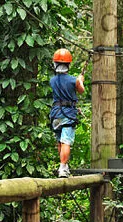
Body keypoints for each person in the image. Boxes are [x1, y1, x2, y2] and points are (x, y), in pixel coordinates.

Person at [49, 48, 85, 178]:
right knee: (66, 142)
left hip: (55, 114)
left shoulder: (52, 80)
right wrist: (80, 79)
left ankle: (64, 166)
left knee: (60, 141)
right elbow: (81, 90)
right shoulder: (72, 80)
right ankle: (62, 168)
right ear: (68, 65)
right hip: (68, 114)